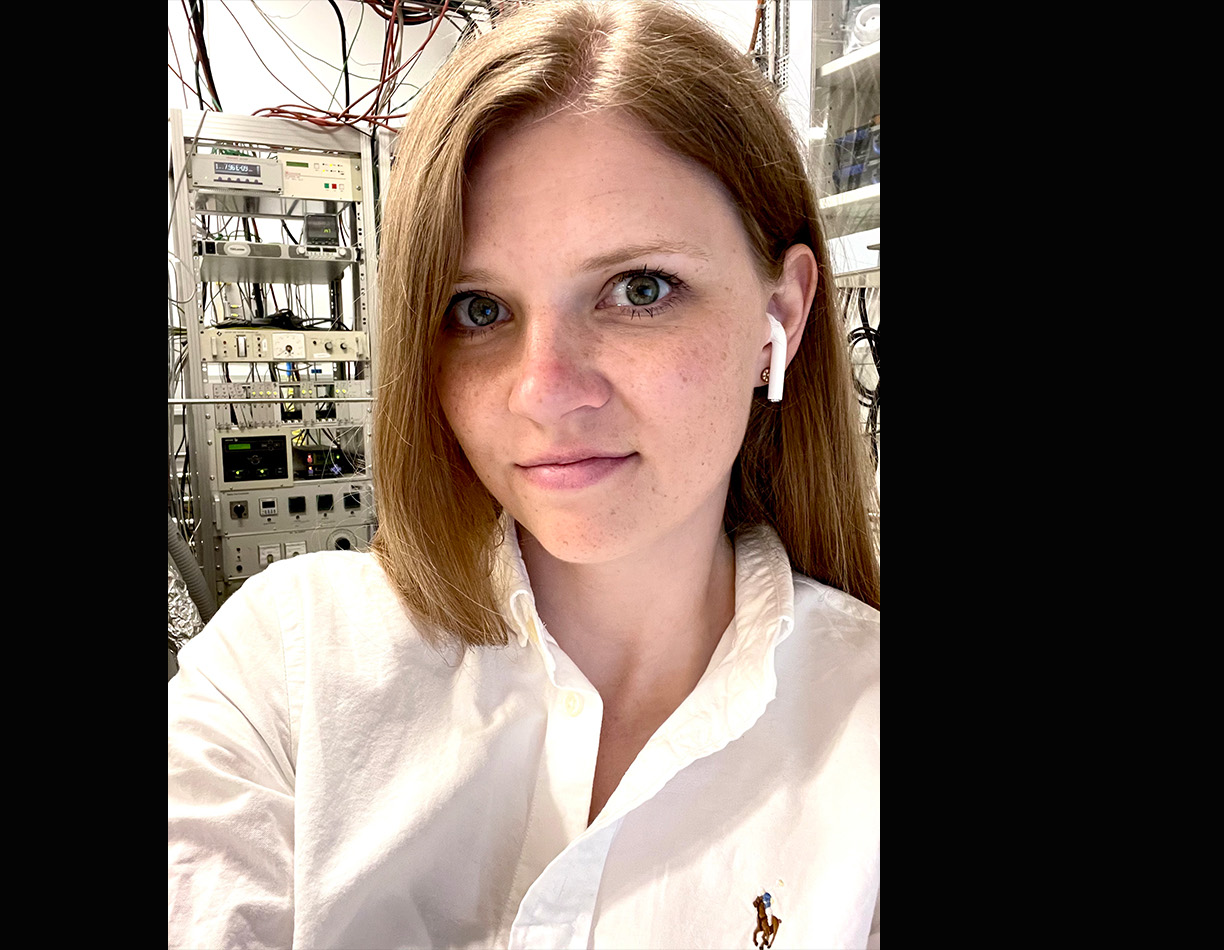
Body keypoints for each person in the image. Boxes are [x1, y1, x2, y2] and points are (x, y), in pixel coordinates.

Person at [168, 0, 880, 947]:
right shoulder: (286, 670)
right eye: (477, 309)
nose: (546, 392)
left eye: (640, 289)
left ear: (780, 319)